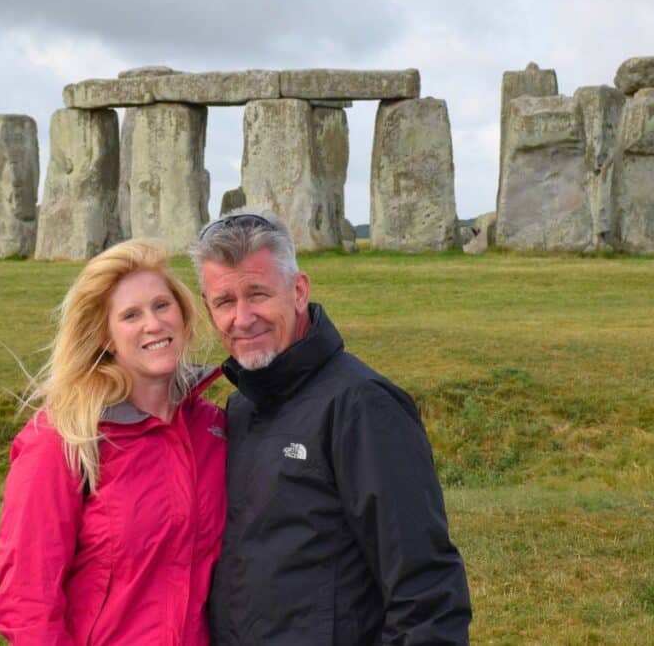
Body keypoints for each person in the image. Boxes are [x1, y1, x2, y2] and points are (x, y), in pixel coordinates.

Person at [192, 211, 472, 645]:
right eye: (225, 302)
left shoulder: (364, 406)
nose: (242, 318)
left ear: (298, 290)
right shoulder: (242, 406)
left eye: (258, 294)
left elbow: (427, 594)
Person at [0, 239, 228, 645]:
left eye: (161, 305)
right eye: (130, 315)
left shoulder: (212, 429)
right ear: (104, 337)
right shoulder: (64, 437)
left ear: (184, 312)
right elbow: (28, 600)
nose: (153, 324)